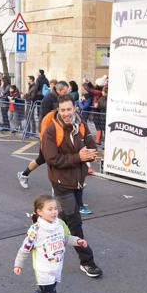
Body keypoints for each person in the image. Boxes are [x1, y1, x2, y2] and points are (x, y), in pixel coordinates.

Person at [41, 94, 102, 278]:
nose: (67, 113)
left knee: (66, 217)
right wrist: (79, 157)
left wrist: (90, 153)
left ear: (75, 108)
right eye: (63, 110)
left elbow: (91, 144)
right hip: (61, 182)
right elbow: (51, 159)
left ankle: (43, 227)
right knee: (75, 223)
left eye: (69, 109)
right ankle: (87, 262)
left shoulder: (80, 123)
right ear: (58, 110)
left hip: (78, 180)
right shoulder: (52, 130)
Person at [14, 195, 89, 293]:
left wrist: (78, 241)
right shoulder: (36, 231)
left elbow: (65, 239)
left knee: (47, 290)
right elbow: (24, 249)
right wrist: (18, 264)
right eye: (50, 209)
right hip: (44, 271)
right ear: (39, 212)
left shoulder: (59, 224)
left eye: (55, 208)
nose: (54, 211)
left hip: (56, 267)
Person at [17, 81, 71, 188]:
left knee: (55, 157)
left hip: (59, 132)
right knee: (47, 158)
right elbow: (44, 118)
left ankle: (24, 174)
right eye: (64, 92)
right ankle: (25, 175)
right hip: (48, 133)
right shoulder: (49, 98)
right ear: (59, 90)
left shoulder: (62, 98)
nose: (66, 94)